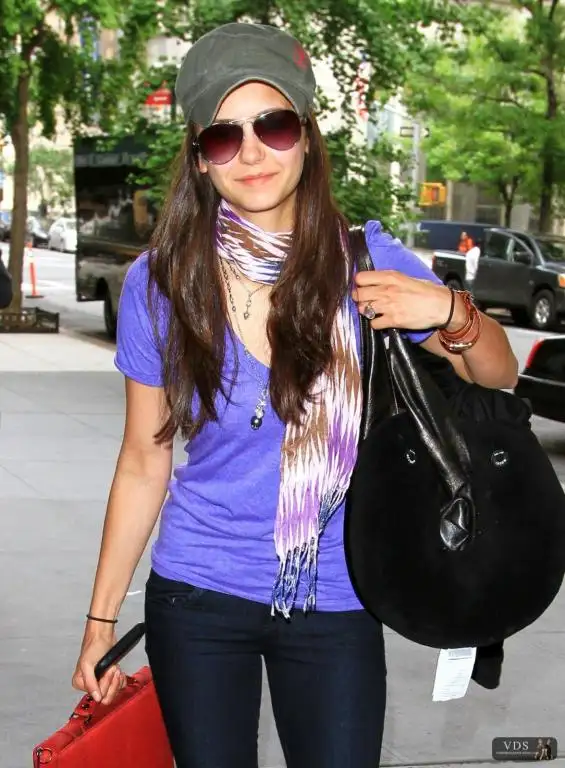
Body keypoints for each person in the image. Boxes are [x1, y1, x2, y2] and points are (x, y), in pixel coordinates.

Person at [72, 22, 519, 768]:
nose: (251, 152)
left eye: (273, 125)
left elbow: (496, 376)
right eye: (224, 136)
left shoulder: (367, 263)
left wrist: (449, 310)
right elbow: (144, 462)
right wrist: (99, 620)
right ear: (200, 158)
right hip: (198, 591)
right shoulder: (165, 281)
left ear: (306, 138)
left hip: (337, 596)